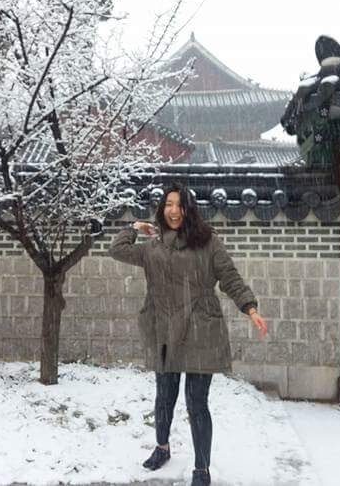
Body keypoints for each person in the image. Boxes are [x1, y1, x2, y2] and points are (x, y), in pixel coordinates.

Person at [109, 183, 268, 486]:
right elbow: (117, 250)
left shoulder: (208, 242)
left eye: (179, 204)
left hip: (200, 329)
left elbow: (229, 277)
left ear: (189, 209)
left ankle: (201, 468)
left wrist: (250, 308)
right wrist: (133, 227)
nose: (173, 210)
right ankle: (162, 447)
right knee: (165, 395)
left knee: (196, 401)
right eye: (168, 204)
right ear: (161, 208)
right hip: (165, 329)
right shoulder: (153, 247)